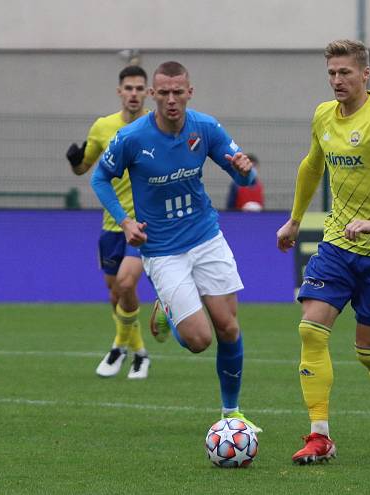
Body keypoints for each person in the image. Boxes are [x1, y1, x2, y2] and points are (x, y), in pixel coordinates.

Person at [276, 39, 370, 464]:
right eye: (331, 73)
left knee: (368, 351)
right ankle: (319, 435)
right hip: (338, 242)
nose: (337, 80)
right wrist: (294, 219)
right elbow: (312, 165)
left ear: (365, 74)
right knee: (310, 328)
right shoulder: (324, 116)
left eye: (345, 72)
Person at [90, 60, 262, 432]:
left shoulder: (205, 127)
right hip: (163, 250)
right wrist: (125, 221)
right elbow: (100, 178)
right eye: (163, 93)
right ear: (153, 95)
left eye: (178, 92)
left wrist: (245, 169)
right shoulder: (133, 138)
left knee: (228, 328)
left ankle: (231, 414)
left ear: (189, 92)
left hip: (205, 236)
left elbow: (244, 175)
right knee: (199, 340)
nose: (171, 100)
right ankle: (167, 310)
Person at [65, 65, 151, 379]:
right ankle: (140, 352)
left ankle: (118, 347)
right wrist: (75, 160)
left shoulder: (156, 124)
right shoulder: (103, 127)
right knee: (116, 293)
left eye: (139, 88)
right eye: (128, 88)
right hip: (112, 223)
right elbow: (84, 168)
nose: (133, 94)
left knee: (127, 284)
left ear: (147, 92)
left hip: (143, 225)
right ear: (119, 91)